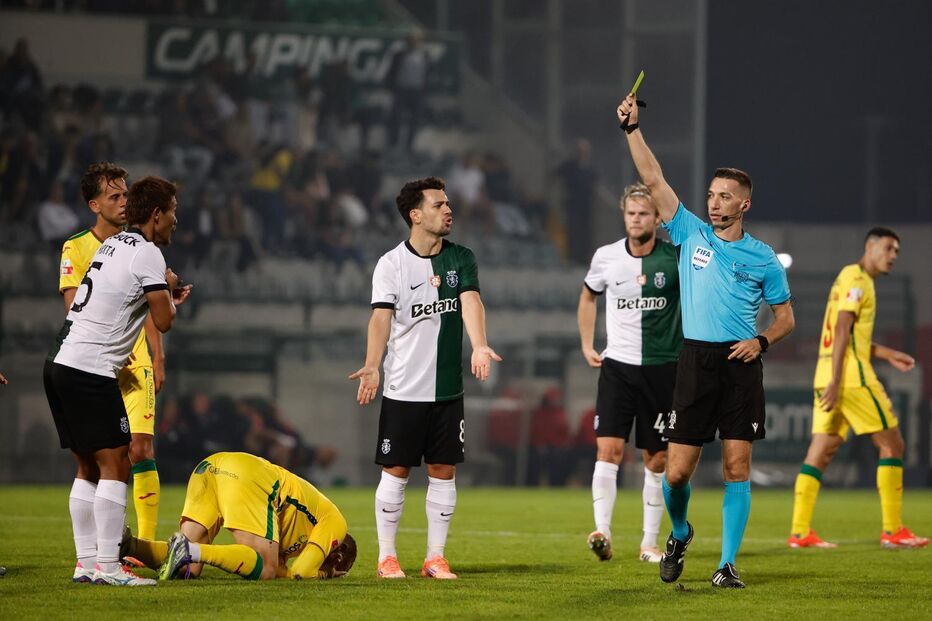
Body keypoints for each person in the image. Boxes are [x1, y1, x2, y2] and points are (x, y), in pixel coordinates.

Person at [616, 92, 795, 588]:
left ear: (744, 203)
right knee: (676, 475)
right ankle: (679, 532)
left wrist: (762, 342)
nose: (714, 201)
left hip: (741, 364)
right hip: (694, 361)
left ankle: (727, 564)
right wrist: (633, 130)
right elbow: (653, 178)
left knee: (738, 467)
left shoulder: (763, 257)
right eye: (711, 194)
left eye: (723, 196)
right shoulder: (690, 232)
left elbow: (786, 317)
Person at [350, 176, 501, 580]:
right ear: (415, 215)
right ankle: (387, 558)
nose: (448, 209)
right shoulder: (391, 264)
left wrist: (480, 345)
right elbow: (381, 317)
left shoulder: (462, 258)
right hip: (404, 389)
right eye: (438, 204)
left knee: (443, 470)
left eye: (448, 203)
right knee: (396, 471)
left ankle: (435, 558)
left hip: (448, 389)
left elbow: (471, 301)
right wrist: (372, 363)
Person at [44, 175, 191, 586]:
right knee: (118, 462)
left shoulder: (112, 244)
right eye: (173, 213)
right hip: (90, 368)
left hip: (60, 362)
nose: (176, 221)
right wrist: (169, 291)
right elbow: (163, 321)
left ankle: (86, 563)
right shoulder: (146, 254)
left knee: (87, 466)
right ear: (156, 215)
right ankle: (109, 567)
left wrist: (159, 290)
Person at [788, 228, 927, 550]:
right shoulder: (857, 279)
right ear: (871, 246)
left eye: (897, 251)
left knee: (821, 451)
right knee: (893, 443)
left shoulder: (849, 278)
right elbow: (841, 330)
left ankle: (799, 532)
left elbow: (850, 336)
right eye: (889, 248)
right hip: (850, 376)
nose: (893, 256)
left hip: (826, 371)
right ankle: (893, 531)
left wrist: (889, 354)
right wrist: (838, 381)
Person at [58, 163, 166, 544]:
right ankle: (104, 553)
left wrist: (157, 354)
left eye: (126, 195)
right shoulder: (78, 246)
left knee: (139, 447)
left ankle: (143, 544)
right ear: (94, 205)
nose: (123, 203)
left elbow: (149, 305)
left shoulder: (137, 245)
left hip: (134, 362)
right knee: (101, 461)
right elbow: (75, 309)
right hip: (96, 361)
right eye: (114, 196)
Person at [578, 182, 681, 564]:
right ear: (624, 217)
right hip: (618, 367)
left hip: (663, 369)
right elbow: (588, 295)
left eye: (644, 213)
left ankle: (649, 543)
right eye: (631, 213)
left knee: (656, 459)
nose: (636, 219)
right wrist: (587, 344)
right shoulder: (606, 257)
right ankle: (602, 531)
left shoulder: (674, 259)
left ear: (657, 218)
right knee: (609, 449)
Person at [122, 452, 356, 581]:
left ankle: (125, 545)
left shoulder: (298, 536)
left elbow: (286, 572)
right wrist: (327, 573)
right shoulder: (336, 523)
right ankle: (189, 550)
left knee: (187, 570)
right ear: (337, 553)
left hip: (212, 467)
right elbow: (302, 572)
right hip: (249, 476)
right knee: (265, 568)